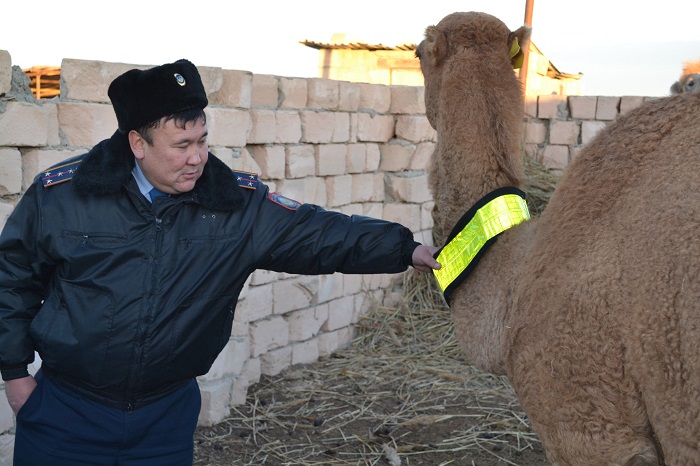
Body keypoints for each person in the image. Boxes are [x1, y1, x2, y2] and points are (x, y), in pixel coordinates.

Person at [0, 59, 440, 465]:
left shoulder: (235, 206)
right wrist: (17, 377)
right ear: (137, 143)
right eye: (182, 145)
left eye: (203, 140)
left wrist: (404, 249)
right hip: (65, 413)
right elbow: (12, 281)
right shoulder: (63, 195)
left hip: (164, 420)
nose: (197, 158)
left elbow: (320, 234)